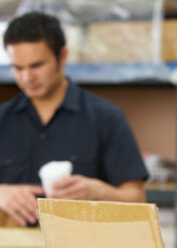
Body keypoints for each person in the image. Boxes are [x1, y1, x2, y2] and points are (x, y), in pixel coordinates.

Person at [0, 12, 148, 227]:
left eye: (36, 66)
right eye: (18, 68)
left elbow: (137, 199)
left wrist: (97, 192)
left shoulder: (106, 118)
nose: (26, 78)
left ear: (63, 56)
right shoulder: (2, 119)